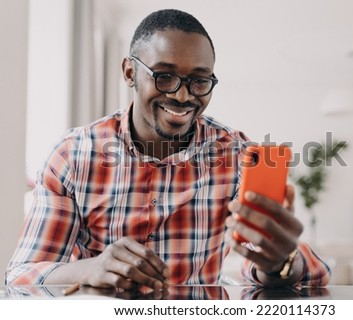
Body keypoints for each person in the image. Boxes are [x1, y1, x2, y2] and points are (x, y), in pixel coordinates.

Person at [5, 9, 330, 290]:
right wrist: (90, 269)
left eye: (199, 81)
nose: (183, 96)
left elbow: (284, 268)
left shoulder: (237, 155)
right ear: (130, 72)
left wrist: (279, 262)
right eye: (164, 77)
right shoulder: (73, 156)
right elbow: (22, 276)